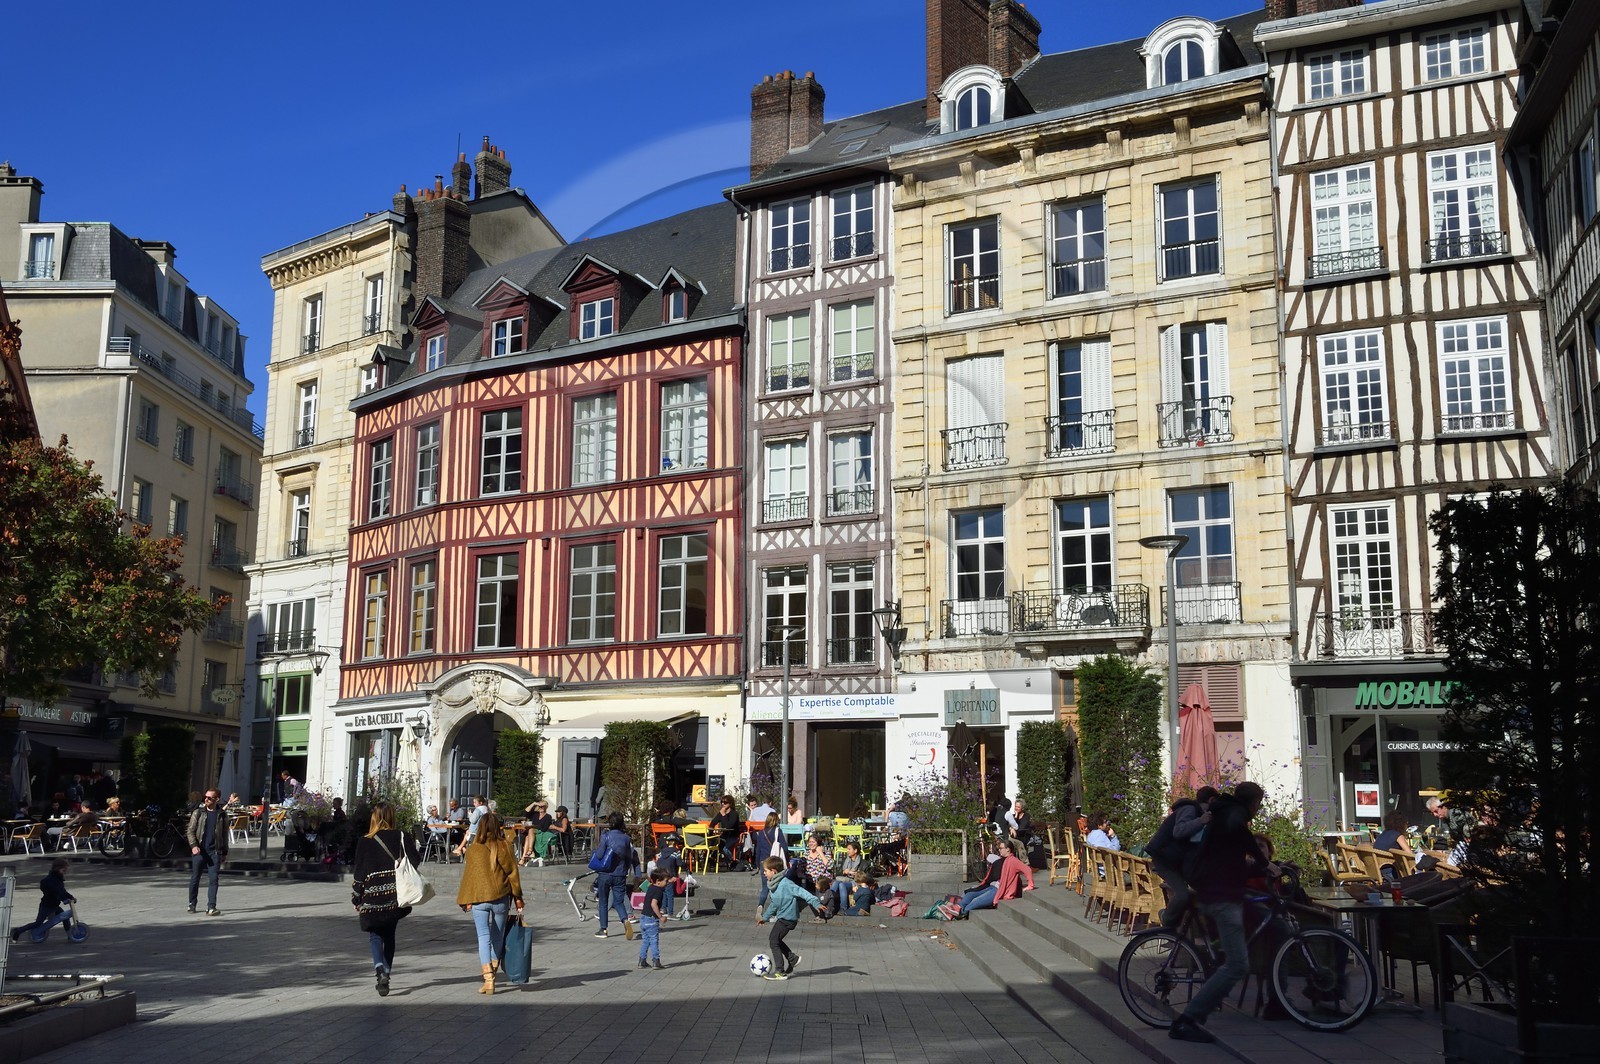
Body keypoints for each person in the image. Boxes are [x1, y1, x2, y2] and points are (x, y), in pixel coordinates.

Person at [1169, 781, 1271, 1043]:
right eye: (1259, 803)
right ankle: (1188, 1019)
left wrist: (1260, 865)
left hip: (1221, 890)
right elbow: (1244, 841)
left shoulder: (1227, 811)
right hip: (1221, 895)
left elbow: (1233, 850)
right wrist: (1265, 864)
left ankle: (1206, 1004)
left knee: (1248, 929)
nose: (1259, 808)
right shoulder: (1235, 816)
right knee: (1237, 964)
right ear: (1254, 802)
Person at [350, 801, 423, 996]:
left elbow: (359, 871)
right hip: (395, 894)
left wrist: (356, 896)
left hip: (372, 895)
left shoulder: (365, 841)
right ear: (391, 816)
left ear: (373, 817)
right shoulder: (401, 836)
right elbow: (415, 859)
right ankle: (387, 974)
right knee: (389, 935)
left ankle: (379, 970)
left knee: (374, 935)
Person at [456, 810, 523, 995]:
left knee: (483, 938)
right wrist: (518, 897)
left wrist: (466, 898)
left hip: (479, 899)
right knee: (497, 936)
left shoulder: (474, 849)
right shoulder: (505, 846)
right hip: (500, 898)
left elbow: (470, 876)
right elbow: (513, 874)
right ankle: (492, 971)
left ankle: (489, 979)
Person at [1145, 786, 1218, 928]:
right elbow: (1178, 831)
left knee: (1208, 892)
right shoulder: (1190, 809)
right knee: (1182, 894)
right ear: (1211, 800)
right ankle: (1167, 919)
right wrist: (1201, 821)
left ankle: (1196, 929)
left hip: (1177, 861)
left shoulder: (1200, 814)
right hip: (1164, 860)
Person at [758, 854, 822, 980]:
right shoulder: (773, 886)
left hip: (788, 919)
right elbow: (774, 905)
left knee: (773, 941)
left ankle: (779, 971)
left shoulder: (786, 884)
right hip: (783, 918)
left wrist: (816, 902)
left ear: (773, 871)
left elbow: (803, 892)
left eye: (765, 871)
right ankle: (793, 959)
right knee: (776, 940)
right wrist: (764, 918)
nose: (764, 873)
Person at [956, 838, 1035, 915]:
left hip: (999, 890)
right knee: (971, 894)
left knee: (977, 901)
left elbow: (1027, 869)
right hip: (993, 887)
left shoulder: (1013, 860)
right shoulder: (1001, 860)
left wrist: (1030, 885)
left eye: (1001, 848)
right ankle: (958, 908)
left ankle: (961, 912)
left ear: (1008, 849)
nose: (999, 850)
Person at [592, 812, 638, 940]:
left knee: (603, 901)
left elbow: (600, 855)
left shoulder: (605, 836)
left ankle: (603, 929)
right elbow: (630, 857)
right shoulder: (626, 838)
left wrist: (595, 851)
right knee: (618, 901)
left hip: (605, 873)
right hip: (620, 874)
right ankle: (625, 920)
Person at [186, 789, 229, 915]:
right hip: (200, 851)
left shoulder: (222, 815)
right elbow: (190, 831)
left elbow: (224, 834)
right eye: (205, 797)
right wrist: (194, 845)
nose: (206, 799)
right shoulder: (198, 813)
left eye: (210, 798)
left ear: (217, 799)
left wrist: (224, 851)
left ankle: (211, 907)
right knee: (195, 877)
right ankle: (192, 903)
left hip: (214, 851)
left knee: (214, 879)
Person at [12, 859, 75, 942]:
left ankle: (70, 935)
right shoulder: (49, 880)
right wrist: (63, 899)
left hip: (54, 905)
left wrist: (71, 897)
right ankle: (18, 931)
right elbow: (55, 892)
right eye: (64, 870)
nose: (65, 872)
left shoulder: (58, 879)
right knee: (38, 923)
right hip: (47, 906)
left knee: (65, 918)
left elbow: (62, 891)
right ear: (57, 868)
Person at [637, 868, 669, 970]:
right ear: (658, 882)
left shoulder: (651, 887)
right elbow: (653, 904)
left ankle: (642, 961)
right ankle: (656, 961)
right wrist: (661, 917)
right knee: (654, 941)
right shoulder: (659, 891)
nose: (667, 883)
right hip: (651, 919)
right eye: (666, 881)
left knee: (645, 940)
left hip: (643, 918)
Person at [1372, 810, 1413, 881]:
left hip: (1378, 870)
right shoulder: (1398, 835)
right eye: (1406, 823)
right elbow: (1410, 855)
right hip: (1391, 871)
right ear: (1402, 824)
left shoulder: (1383, 834)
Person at [707, 795, 743, 871]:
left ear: (730, 803)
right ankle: (713, 861)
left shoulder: (734, 814)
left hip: (733, 836)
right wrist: (711, 832)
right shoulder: (722, 813)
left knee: (725, 848)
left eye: (725, 802)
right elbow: (713, 823)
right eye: (722, 802)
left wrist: (723, 815)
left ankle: (732, 861)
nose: (723, 804)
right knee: (714, 845)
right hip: (724, 835)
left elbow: (729, 826)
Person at [521, 799, 554, 865]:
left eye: (542, 806)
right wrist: (534, 803)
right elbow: (524, 813)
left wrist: (534, 827)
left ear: (546, 807)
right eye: (539, 806)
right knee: (527, 837)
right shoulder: (535, 814)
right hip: (532, 834)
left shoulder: (548, 816)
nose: (541, 808)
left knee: (531, 830)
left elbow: (544, 829)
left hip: (541, 833)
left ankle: (530, 851)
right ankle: (523, 858)